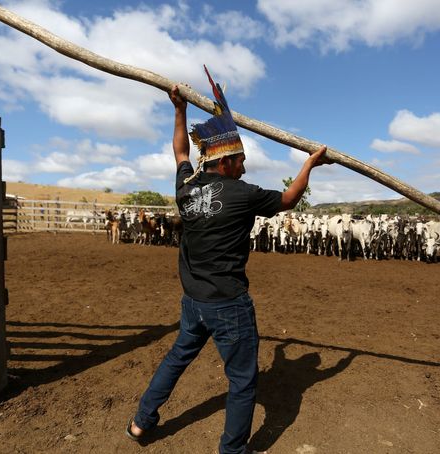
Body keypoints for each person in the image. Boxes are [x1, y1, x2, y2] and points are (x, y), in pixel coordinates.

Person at [126, 66, 329, 454]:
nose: (245, 166)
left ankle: (140, 423)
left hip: (193, 301)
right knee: (242, 381)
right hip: (228, 304)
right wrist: (308, 166)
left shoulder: (185, 187)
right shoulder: (242, 194)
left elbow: (181, 151)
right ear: (226, 162)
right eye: (241, 159)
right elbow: (288, 200)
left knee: (176, 359)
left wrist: (179, 109)